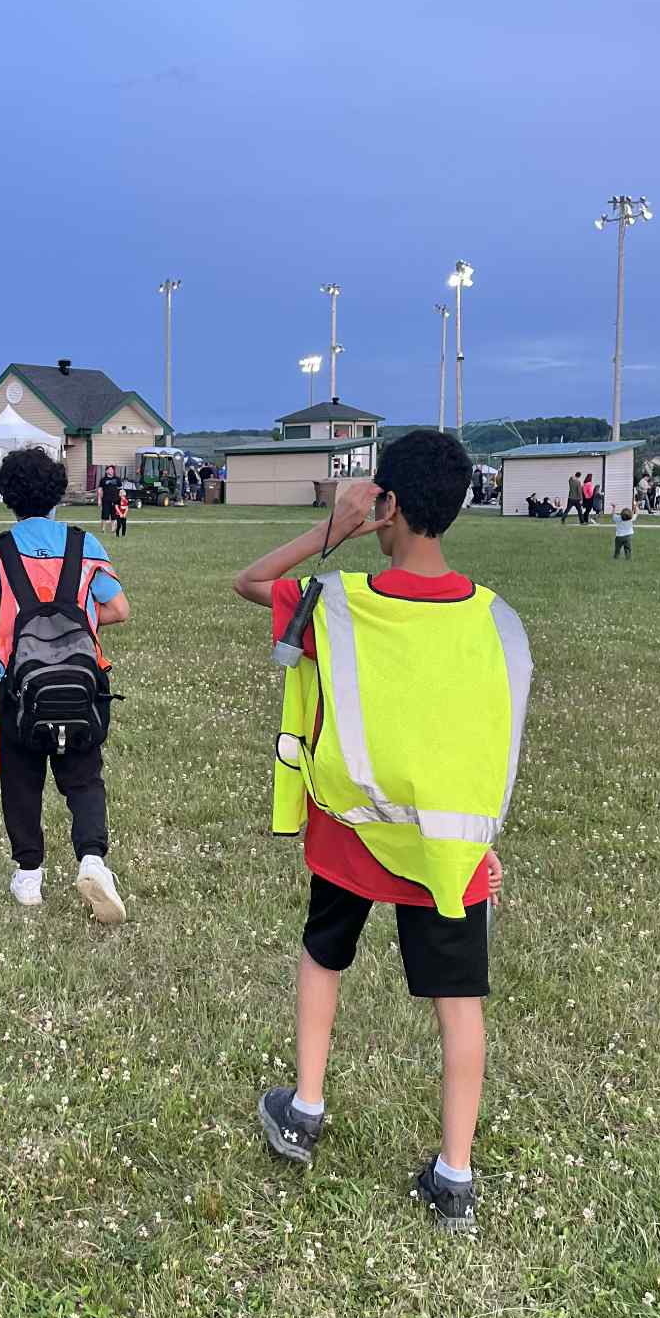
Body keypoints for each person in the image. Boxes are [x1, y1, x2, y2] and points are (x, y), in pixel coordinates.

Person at [234, 430, 532, 1233]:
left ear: (386, 504)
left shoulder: (337, 602)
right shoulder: (497, 621)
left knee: (324, 954)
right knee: (459, 1004)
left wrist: (332, 530)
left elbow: (250, 580)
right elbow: (488, 741)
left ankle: (305, 1108)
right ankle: (455, 1175)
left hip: (351, 830)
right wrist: (482, 841)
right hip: (445, 846)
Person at [0, 445, 129, 924]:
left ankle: (29, 875)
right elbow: (119, 609)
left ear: (8, 497)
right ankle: (92, 859)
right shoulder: (84, 543)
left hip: (20, 685)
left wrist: (12, 628)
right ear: (57, 492)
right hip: (83, 684)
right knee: (84, 776)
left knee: (21, 778)